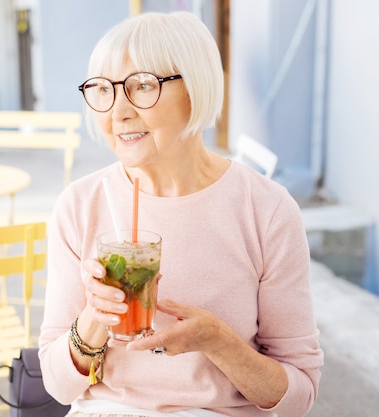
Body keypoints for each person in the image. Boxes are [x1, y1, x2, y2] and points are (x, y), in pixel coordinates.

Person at [38, 11, 324, 417]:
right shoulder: (81, 205)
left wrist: (218, 342)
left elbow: (299, 396)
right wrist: (93, 318)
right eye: (104, 89)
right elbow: (58, 386)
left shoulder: (267, 210)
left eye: (141, 86)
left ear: (196, 88)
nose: (117, 112)